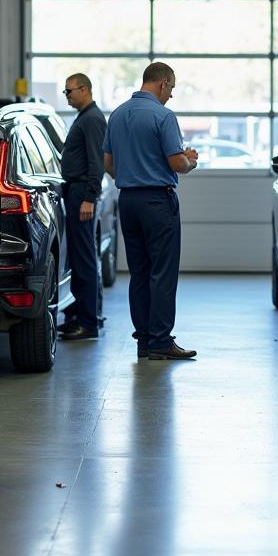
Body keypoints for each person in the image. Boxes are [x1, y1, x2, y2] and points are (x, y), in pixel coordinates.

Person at [103, 62, 199, 361]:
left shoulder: (117, 115)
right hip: (158, 203)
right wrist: (190, 161)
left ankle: (144, 340)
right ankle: (161, 341)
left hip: (128, 201)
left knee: (140, 273)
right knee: (163, 273)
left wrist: (132, 172)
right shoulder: (163, 116)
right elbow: (177, 164)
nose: (170, 95)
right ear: (162, 83)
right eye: (171, 89)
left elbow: (109, 165)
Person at [59, 73, 107, 341]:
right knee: (77, 257)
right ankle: (77, 316)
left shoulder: (92, 119)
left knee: (85, 259)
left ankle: (88, 323)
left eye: (69, 91)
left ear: (84, 89)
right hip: (75, 192)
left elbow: (96, 162)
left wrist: (89, 196)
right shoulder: (85, 117)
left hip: (81, 195)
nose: (66, 96)